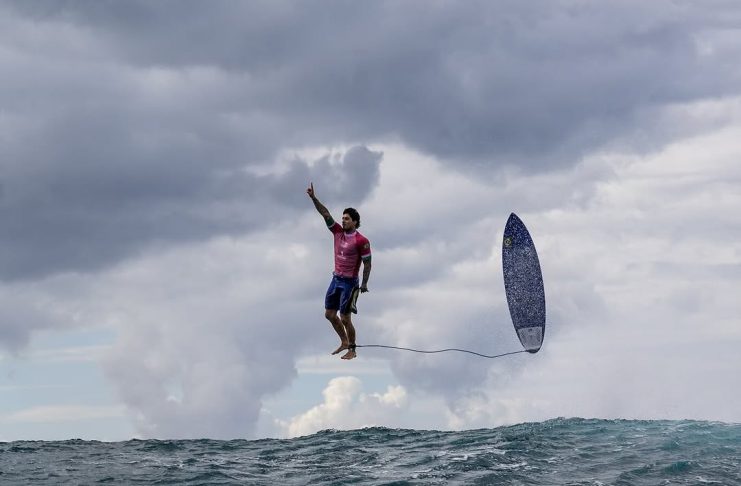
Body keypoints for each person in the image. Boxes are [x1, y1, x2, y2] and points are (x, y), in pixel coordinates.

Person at [307, 182, 371, 360]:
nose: (343, 221)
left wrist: (364, 283)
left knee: (345, 317)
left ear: (355, 222)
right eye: (343, 218)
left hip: (350, 283)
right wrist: (314, 198)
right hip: (336, 279)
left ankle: (352, 349)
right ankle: (343, 341)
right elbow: (325, 214)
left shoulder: (361, 240)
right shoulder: (337, 232)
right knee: (329, 314)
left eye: (347, 219)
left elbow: (367, 263)